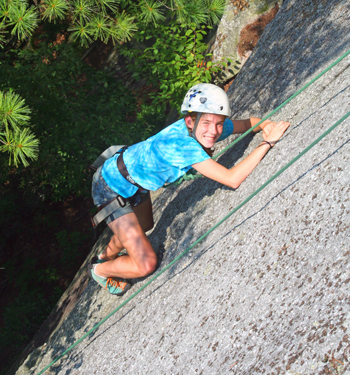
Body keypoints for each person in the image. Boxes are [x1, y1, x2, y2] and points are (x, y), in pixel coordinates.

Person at [90, 83, 290, 295]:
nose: (213, 131)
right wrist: (267, 143)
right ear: (189, 121)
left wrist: (266, 124)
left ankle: (106, 256)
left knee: (145, 224)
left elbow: (249, 123)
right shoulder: (182, 146)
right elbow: (232, 179)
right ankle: (99, 270)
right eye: (207, 123)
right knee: (146, 264)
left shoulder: (202, 127)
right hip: (110, 186)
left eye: (219, 124)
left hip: (132, 179)